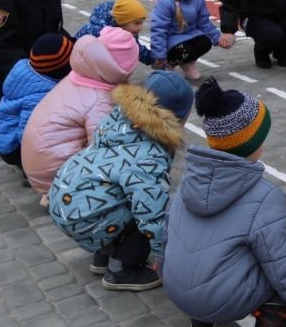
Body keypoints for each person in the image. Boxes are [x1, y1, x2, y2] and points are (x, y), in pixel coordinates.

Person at [162, 79, 286, 327]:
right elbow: (284, 269)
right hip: (220, 298)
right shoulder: (265, 197)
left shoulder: (188, 181)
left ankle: (201, 322)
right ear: (253, 141)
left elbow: (166, 238)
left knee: (201, 248)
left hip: (178, 291)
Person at [47, 71, 194, 292]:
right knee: (151, 206)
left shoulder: (117, 120)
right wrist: (166, 257)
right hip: (86, 217)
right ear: (181, 117)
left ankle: (104, 254)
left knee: (112, 191)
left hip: (66, 202)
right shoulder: (149, 155)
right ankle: (122, 269)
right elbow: (152, 212)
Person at [21, 27, 140, 197]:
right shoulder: (101, 100)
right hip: (55, 178)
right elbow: (101, 149)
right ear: (124, 69)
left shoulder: (78, 76)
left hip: (39, 165)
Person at [0, 33, 74, 173]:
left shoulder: (25, 69)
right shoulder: (38, 98)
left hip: (5, 130)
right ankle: (26, 169)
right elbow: (29, 136)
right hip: (13, 146)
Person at [151, 0, 234, 81]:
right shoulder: (166, 2)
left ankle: (188, 64)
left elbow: (204, 22)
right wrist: (159, 55)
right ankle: (169, 63)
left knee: (205, 42)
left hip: (190, 35)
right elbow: (158, 29)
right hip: (172, 41)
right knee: (183, 50)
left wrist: (217, 38)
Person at [75, 0, 154, 66]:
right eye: (137, 23)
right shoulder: (100, 33)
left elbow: (137, 49)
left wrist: (153, 58)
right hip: (82, 65)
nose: (140, 27)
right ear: (123, 21)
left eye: (141, 23)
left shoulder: (128, 30)